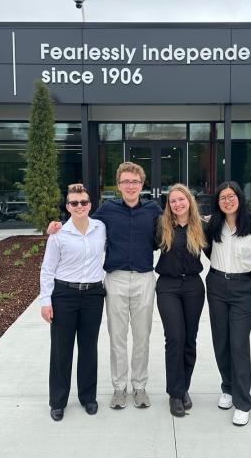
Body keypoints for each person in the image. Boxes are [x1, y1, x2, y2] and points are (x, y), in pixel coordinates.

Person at [48, 162, 162, 410]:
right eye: (125, 182)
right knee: (117, 338)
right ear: (119, 185)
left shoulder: (154, 210)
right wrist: (57, 225)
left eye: (134, 181)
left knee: (142, 337)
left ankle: (139, 386)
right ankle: (119, 388)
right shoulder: (107, 211)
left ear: (142, 185)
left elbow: (173, 228)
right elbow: (81, 221)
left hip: (144, 279)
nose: (130, 186)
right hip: (115, 279)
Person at [39, 184, 107, 421]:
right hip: (64, 295)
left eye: (83, 202)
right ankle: (58, 401)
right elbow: (47, 270)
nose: (79, 206)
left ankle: (88, 397)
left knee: (89, 348)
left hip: (93, 295)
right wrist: (45, 301)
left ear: (90, 205)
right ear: (68, 207)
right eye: (74, 203)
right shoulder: (58, 234)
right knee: (61, 349)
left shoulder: (101, 228)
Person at [204, 181, 251, 426]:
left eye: (232, 196)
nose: (227, 200)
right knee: (221, 341)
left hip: (243, 287)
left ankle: (243, 401)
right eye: (223, 197)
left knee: (238, 344)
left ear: (239, 197)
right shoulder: (212, 225)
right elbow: (207, 251)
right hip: (216, 284)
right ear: (218, 202)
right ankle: (227, 387)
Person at [154, 183, 207, 417]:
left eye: (181, 199)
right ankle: (174, 393)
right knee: (175, 337)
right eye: (172, 200)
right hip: (168, 286)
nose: (177, 204)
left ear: (189, 201)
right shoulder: (161, 225)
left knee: (189, 339)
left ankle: (184, 387)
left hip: (194, 286)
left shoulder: (202, 226)